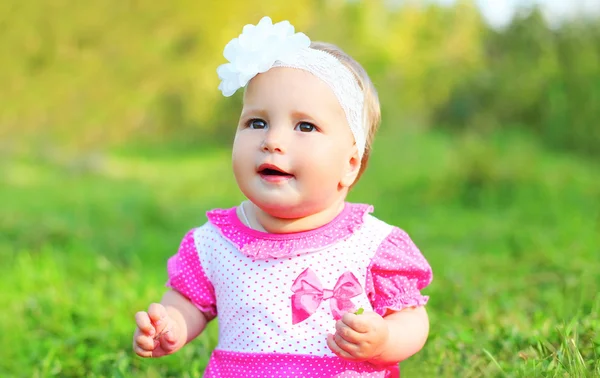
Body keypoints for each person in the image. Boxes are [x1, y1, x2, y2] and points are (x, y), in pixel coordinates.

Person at [132, 16, 433, 377]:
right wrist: (172, 325)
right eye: (256, 122)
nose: (272, 140)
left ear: (351, 164)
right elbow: (188, 301)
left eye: (305, 126)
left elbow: (411, 317)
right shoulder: (214, 243)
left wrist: (385, 340)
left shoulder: (372, 244)